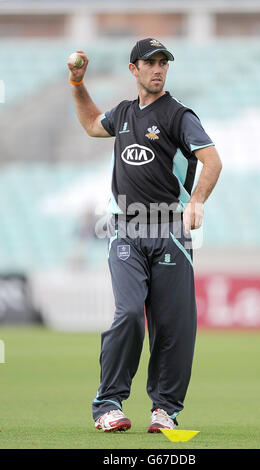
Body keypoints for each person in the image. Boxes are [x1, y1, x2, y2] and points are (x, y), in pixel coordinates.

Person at [67, 38, 222, 433]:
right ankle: (108, 405)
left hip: (170, 230)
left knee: (174, 326)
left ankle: (164, 409)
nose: (158, 69)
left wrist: (197, 201)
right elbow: (89, 125)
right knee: (130, 314)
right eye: (149, 63)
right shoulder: (122, 113)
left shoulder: (178, 115)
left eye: (163, 63)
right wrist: (78, 85)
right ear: (133, 69)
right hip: (125, 230)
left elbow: (212, 161)